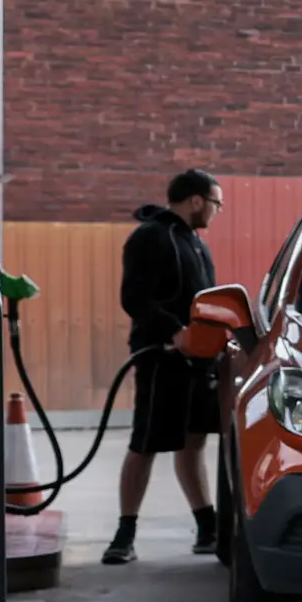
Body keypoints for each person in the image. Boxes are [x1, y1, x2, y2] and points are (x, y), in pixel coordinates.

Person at [111, 169, 226, 566]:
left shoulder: (194, 242)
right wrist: (174, 332)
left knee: (194, 442)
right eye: (216, 203)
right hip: (160, 359)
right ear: (196, 200)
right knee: (145, 444)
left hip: (199, 362)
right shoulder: (151, 237)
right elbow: (134, 298)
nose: (216, 211)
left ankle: (207, 527)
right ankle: (124, 535)